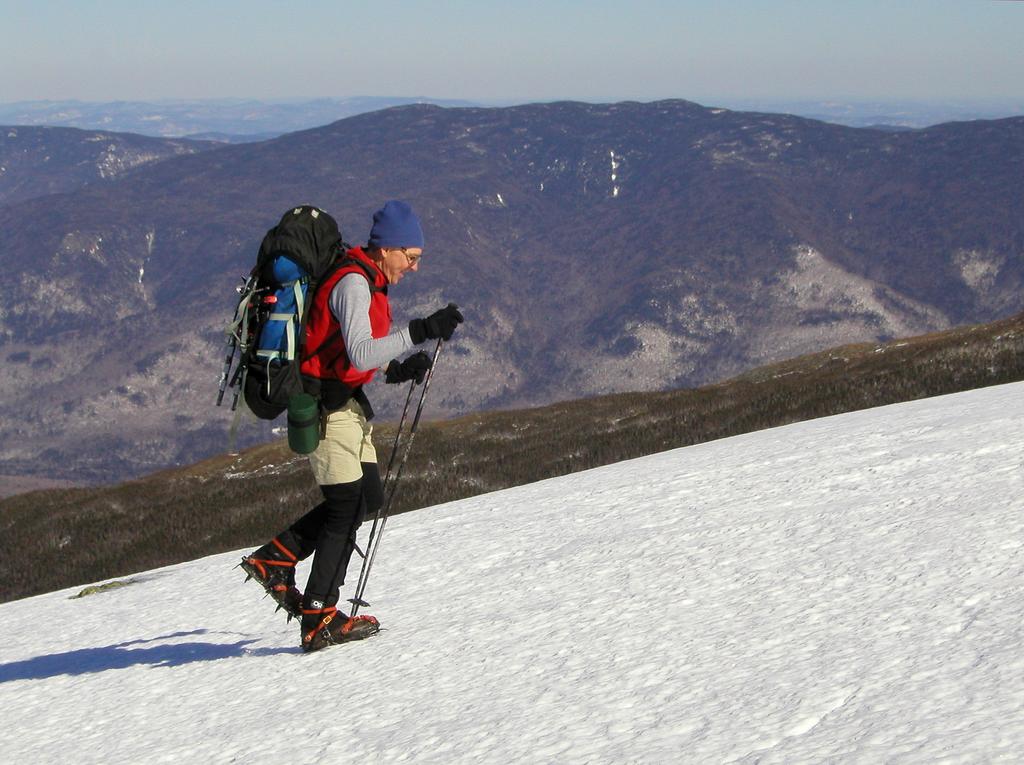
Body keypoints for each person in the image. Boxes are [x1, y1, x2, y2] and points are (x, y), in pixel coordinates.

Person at [241, 200, 463, 652]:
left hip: (345, 402)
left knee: (367, 497)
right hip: (324, 406)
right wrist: (420, 331)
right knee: (345, 505)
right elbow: (360, 352)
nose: (414, 267)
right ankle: (319, 616)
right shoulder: (354, 284)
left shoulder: (367, 280)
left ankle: (276, 558)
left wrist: (396, 370)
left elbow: (346, 350)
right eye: (411, 257)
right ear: (387, 250)